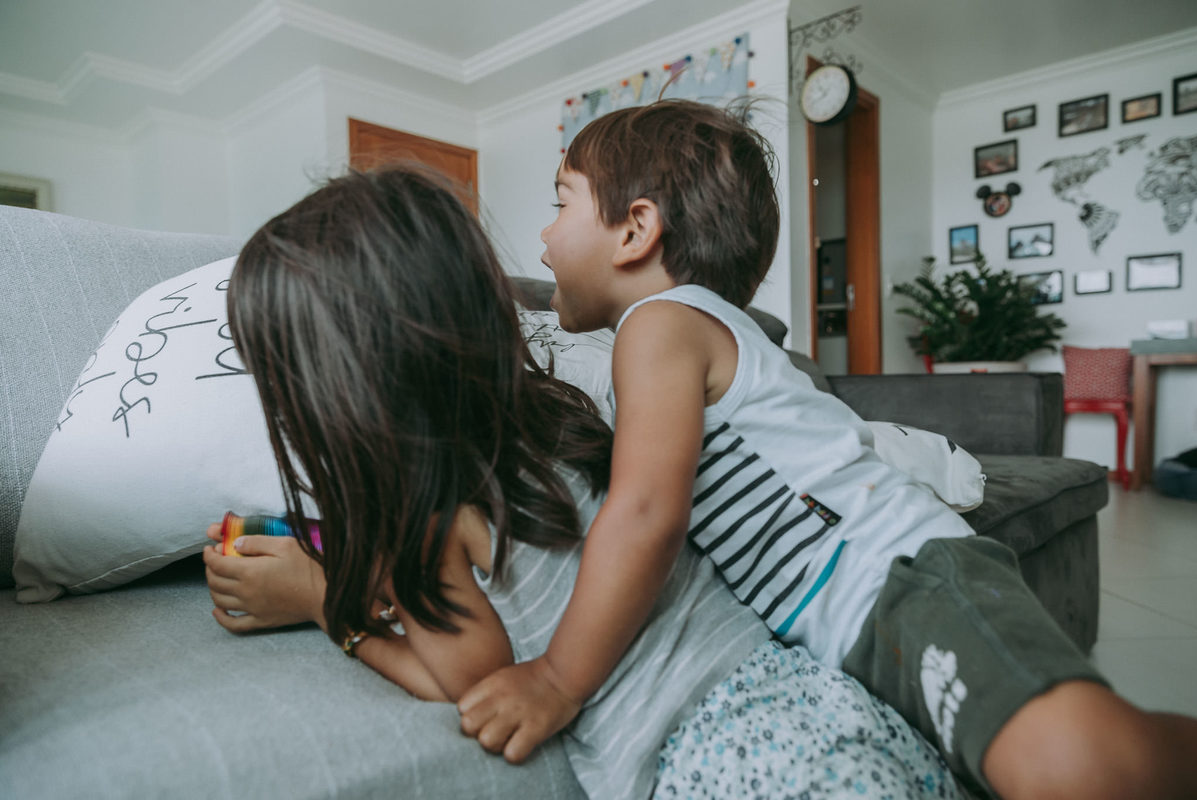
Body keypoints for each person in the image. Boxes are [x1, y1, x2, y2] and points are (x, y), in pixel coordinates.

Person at [455, 99, 1197, 799]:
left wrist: (557, 678)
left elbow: (647, 511)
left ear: (634, 229)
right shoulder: (679, 332)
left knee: (1081, 768)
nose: (546, 236)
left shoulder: (659, 327)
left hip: (904, 583)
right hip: (855, 625)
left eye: (561, 202)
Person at [203, 166, 964, 799]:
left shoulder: (422, 516)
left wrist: (323, 604)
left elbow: (464, 675)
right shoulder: (559, 419)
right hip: (810, 698)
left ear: (340, 389)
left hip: (723, 757)